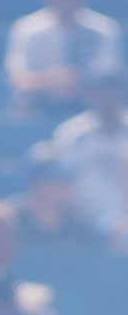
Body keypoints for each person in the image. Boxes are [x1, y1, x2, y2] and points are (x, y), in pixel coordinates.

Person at [5, 0, 123, 117]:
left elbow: (108, 78)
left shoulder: (105, 29)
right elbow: (18, 78)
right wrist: (50, 80)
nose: (67, 2)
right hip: (40, 103)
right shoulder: (27, 29)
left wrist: (78, 81)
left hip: (89, 105)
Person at [51, 69, 128, 236]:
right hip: (82, 225)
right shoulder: (71, 134)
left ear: (121, 95)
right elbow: (59, 183)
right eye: (101, 94)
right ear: (90, 97)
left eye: (112, 93)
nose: (107, 100)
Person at [8, 140, 103, 246]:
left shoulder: (84, 228)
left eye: (65, 180)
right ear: (34, 185)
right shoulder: (9, 223)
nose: (63, 187)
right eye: (53, 181)